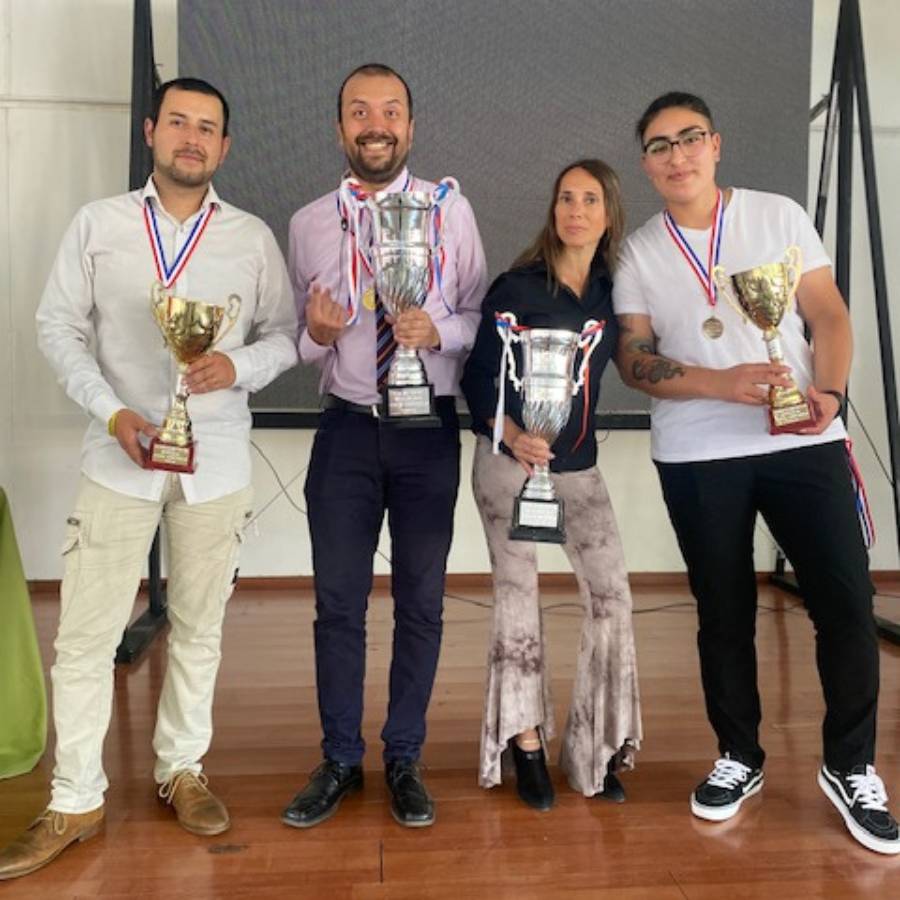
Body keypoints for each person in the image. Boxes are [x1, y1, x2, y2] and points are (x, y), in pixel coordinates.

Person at [0, 77, 298, 881]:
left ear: (224, 146)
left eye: (207, 127)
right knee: (85, 636)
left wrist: (238, 364)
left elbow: (285, 336)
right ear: (151, 132)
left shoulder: (250, 237)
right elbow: (57, 327)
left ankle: (181, 769)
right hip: (117, 459)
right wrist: (111, 414)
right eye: (178, 123)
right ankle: (75, 797)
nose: (191, 139)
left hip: (216, 463)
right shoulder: (98, 224)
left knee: (200, 626)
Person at [613, 91, 898, 855]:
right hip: (698, 452)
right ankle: (739, 755)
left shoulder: (778, 215)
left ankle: (851, 766)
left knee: (846, 602)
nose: (678, 155)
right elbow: (633, 360)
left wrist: (829, 393)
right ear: (646, 164)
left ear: (716, 144)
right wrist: (720, 383)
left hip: (803, 438)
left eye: (690, 138)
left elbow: (828, 314)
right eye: (661, 145)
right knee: (724, 612)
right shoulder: (639, 251)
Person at [282, 63, 487, 829]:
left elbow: (479, 317)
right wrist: (317, 334)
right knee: (337, 604)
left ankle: (404, 756)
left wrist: (441, 329)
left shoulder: (449, 212)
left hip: (427, 429)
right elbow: (296, 338)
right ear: (340, 128)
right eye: (360, 112)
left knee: (422, 602)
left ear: (410, 126)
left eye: (391, 111)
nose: (376, 125)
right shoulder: (309, 223)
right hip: (346, 427)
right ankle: (340, 757)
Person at [460, 159, 642, 810]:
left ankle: (597, 746)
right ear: (553, 209)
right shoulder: (515, 287)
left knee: (613, 598)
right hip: (508, 462)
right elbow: (476, 377)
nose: (575, 210)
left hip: (578, 466)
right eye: (566, 197)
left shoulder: (616, 294)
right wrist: (512, 434)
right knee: (518, 600)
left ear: (608, 214)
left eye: (590, 199)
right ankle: (525, 742)